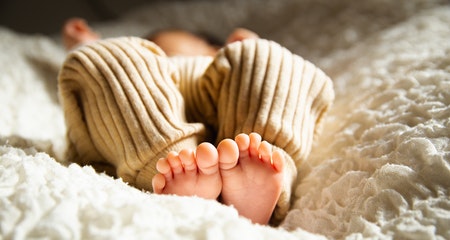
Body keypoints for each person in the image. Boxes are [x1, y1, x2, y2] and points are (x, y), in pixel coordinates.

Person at [58, 18, 334, 225]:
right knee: (108, 61)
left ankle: (256, 166)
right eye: (148, 48)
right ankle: (175, 164)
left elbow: (257, 77)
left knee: (269, 61)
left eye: (157, 45)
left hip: (226, 104)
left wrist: (248, 48)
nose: (152, 51)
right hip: (143, 119)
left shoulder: (223, 62)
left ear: (216, 47)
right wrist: (90, 45)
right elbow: (110, 69)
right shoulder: (140, 62)